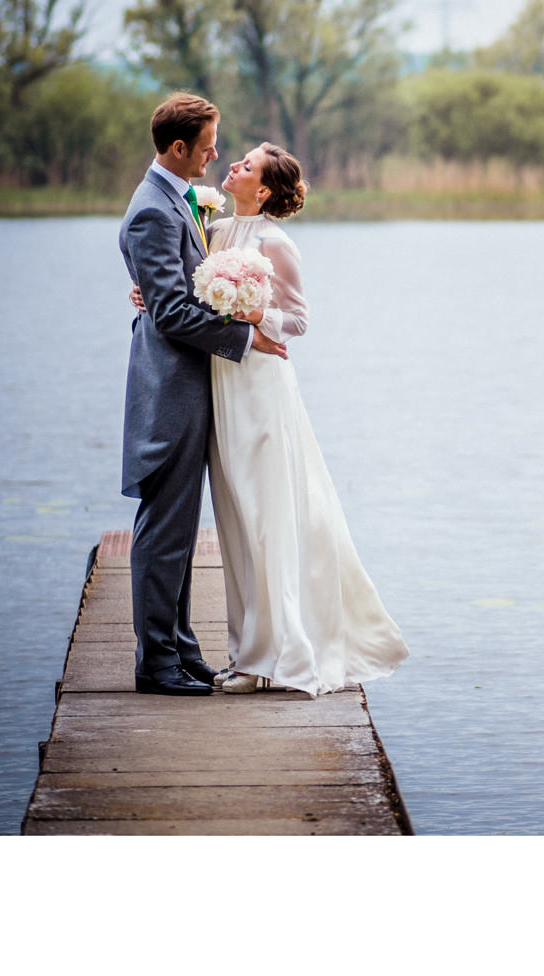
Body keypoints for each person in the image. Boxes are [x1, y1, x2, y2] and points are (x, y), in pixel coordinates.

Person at [202, 141, 409, 694]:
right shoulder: (215, 231)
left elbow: (297, 320)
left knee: (267, 515)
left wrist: (253, 313)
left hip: (263, 387)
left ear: (264, 190)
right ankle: (245, 652)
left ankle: (278, 655)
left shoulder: (275, 242)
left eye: (246, 166)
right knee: (235, 517)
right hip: (221, 384)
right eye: (238, 160)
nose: (235, 166)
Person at [119, 94, 288, 697]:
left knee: (180, 530)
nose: (217, 154)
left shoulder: (178, 201)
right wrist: (244, 336)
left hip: (190, 385)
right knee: (164, 530)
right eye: (210, 144)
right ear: (179, 147)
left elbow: (167, 287)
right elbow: (168, 312)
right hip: (170, 389)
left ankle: (181, 648)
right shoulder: (154, 211)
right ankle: (155, 662)